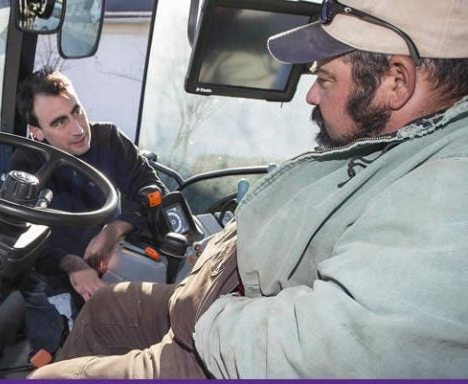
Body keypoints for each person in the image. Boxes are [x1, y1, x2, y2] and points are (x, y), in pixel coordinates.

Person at [29, 0, 468, 378]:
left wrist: (200, 315)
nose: (311, 96)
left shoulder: (450, 192)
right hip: (219, 310)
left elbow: (320, 351)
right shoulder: (392, 148)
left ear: (397, 81)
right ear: (37, 134)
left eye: (326, 78)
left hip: (231, 343)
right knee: (109, 305)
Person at [9, 67, 167, 365]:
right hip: (52, 271)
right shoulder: (26, 163)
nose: (78, 129)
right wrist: (70, 262)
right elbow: (21, 234)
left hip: (113, 261)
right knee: (61, 348)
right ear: (37, 132)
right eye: (60, 122)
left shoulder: (108, 139)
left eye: (77, 111)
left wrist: (115, 229)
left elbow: (151, 187)